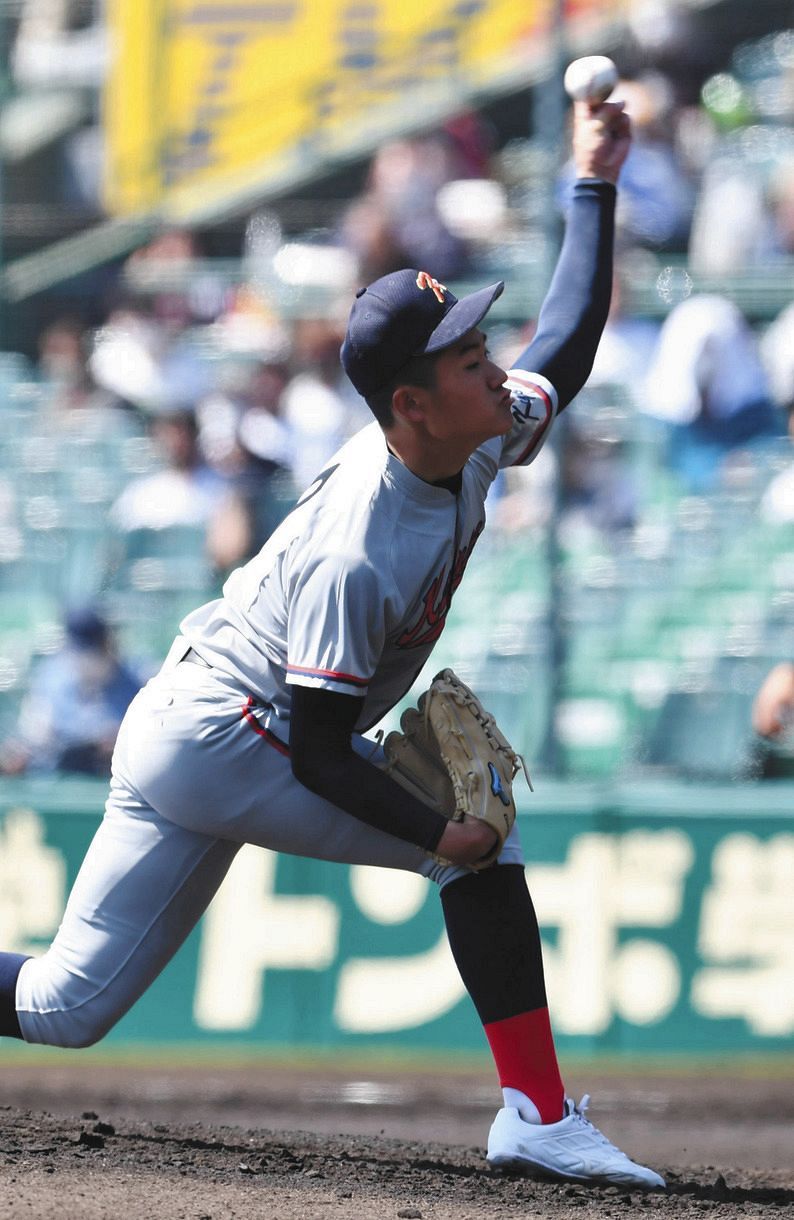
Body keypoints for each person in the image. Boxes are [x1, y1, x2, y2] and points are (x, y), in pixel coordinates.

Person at [0, 99, 664, 1190]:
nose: (492, 369)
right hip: (230, 730)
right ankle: (537, 1116)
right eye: (464, 362)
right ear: (408, 403)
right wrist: (435, 832)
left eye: (479, 346)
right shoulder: (360, 542)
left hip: (188, 718)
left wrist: (591, 181)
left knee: (66, 1005)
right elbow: (313, 752)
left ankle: (536, 1109)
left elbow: (566, 344)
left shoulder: (474, 434)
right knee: (480, 855)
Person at [0, 606, 142, 778]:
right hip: (61, 778)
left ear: (108, 645)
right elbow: (37, 735)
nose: (83, 661)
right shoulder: (51, 677)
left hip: (115, 778)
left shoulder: (137, 680)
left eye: (91, 652)